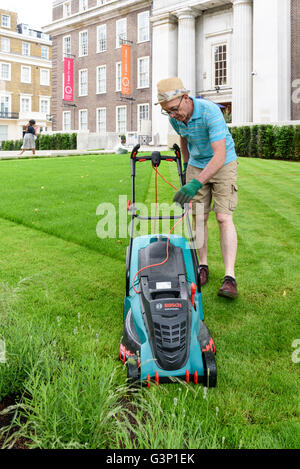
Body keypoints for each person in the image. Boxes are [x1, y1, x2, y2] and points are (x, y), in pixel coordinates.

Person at [156, 77, 238, 299]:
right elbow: (184, 139)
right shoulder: (175, 118)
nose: (173, 115)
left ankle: (229, 278)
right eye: (168, 112)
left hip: (223, 163)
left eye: (174, 109)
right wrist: (185, 166)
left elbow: (219, 154)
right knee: (198, 217)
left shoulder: (210, 112)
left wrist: (194, 183)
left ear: (185, 97)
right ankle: (203, 266)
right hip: (196, 164)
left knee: (223, 217)